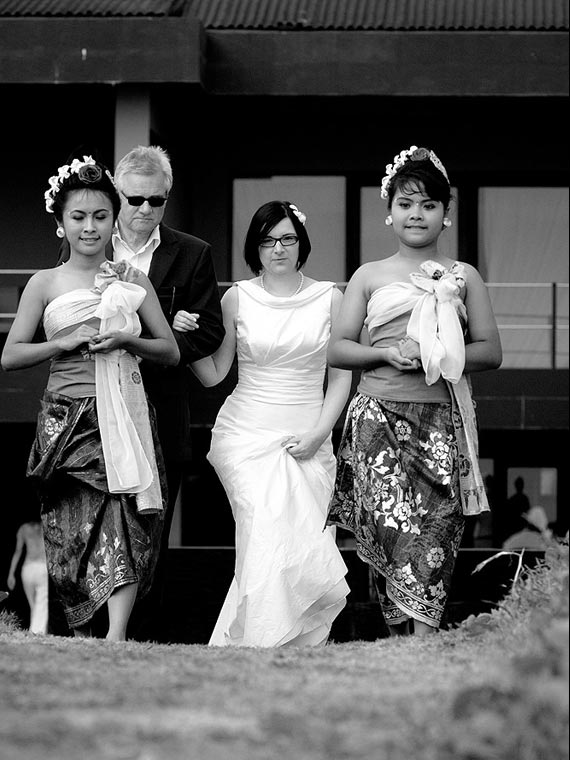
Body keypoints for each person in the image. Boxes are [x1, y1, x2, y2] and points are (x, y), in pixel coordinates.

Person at [1, 153, 180, 640]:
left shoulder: (131, 279)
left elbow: (169, 350)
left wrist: (128, 340)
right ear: (60, 224)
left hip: (121, 411)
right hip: (65, 417)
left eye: (101, 216)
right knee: (69, 525)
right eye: (78, 217)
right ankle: (81, 625)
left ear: (114, 218)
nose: (90, 227)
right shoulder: (44, 282)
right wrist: (58, 343)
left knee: (121, 516)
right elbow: (10, 355)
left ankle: (116, 633)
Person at [326, 145, 502, 636]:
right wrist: (383, 353)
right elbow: (338, 350)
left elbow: (491, 351)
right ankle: (403, 635)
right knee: (390, 524)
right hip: (376, 416)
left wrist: (437, 348)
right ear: (389, 212)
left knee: (437, 528)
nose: (416, 214)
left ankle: (420, 637)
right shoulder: (369, 274)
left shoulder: (464, 277)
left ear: (446, 214)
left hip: (442, 422)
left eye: (428, 204)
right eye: (405, 204)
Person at [59, 145, 225, 641]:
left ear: (167, 198)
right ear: (117, 195)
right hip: (92, 407)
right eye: (133, 199)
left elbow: (210, 332)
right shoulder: (89, 242)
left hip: (159, 408)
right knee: (88, 519)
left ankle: (139, 635)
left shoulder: (193, 252)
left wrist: (165, 337)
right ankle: (85, 629)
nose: (144, 211)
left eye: (156, 200)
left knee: (150, 529)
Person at [179, 200, 352, 647]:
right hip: (246, 434)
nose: (278, 248)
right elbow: (216, 373)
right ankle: (261, 640)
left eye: (287, 238)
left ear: (301, 244)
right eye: (267, 240)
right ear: (255, 247)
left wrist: (319, 434)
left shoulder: (331, 297)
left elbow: (341, 378)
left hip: (309, 434)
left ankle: (282, 645)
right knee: (265, 528)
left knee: (300, 544)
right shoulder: (237, 296)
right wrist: (185, 338)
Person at [6, 521, 49, 634]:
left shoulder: (24, 528)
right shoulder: (47, 525)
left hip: (28, 568)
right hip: (42, 567)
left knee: (33, 603)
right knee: (41, 601)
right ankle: (37, 632)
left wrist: (11, 573)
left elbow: (18, 551)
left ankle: (34, 631)